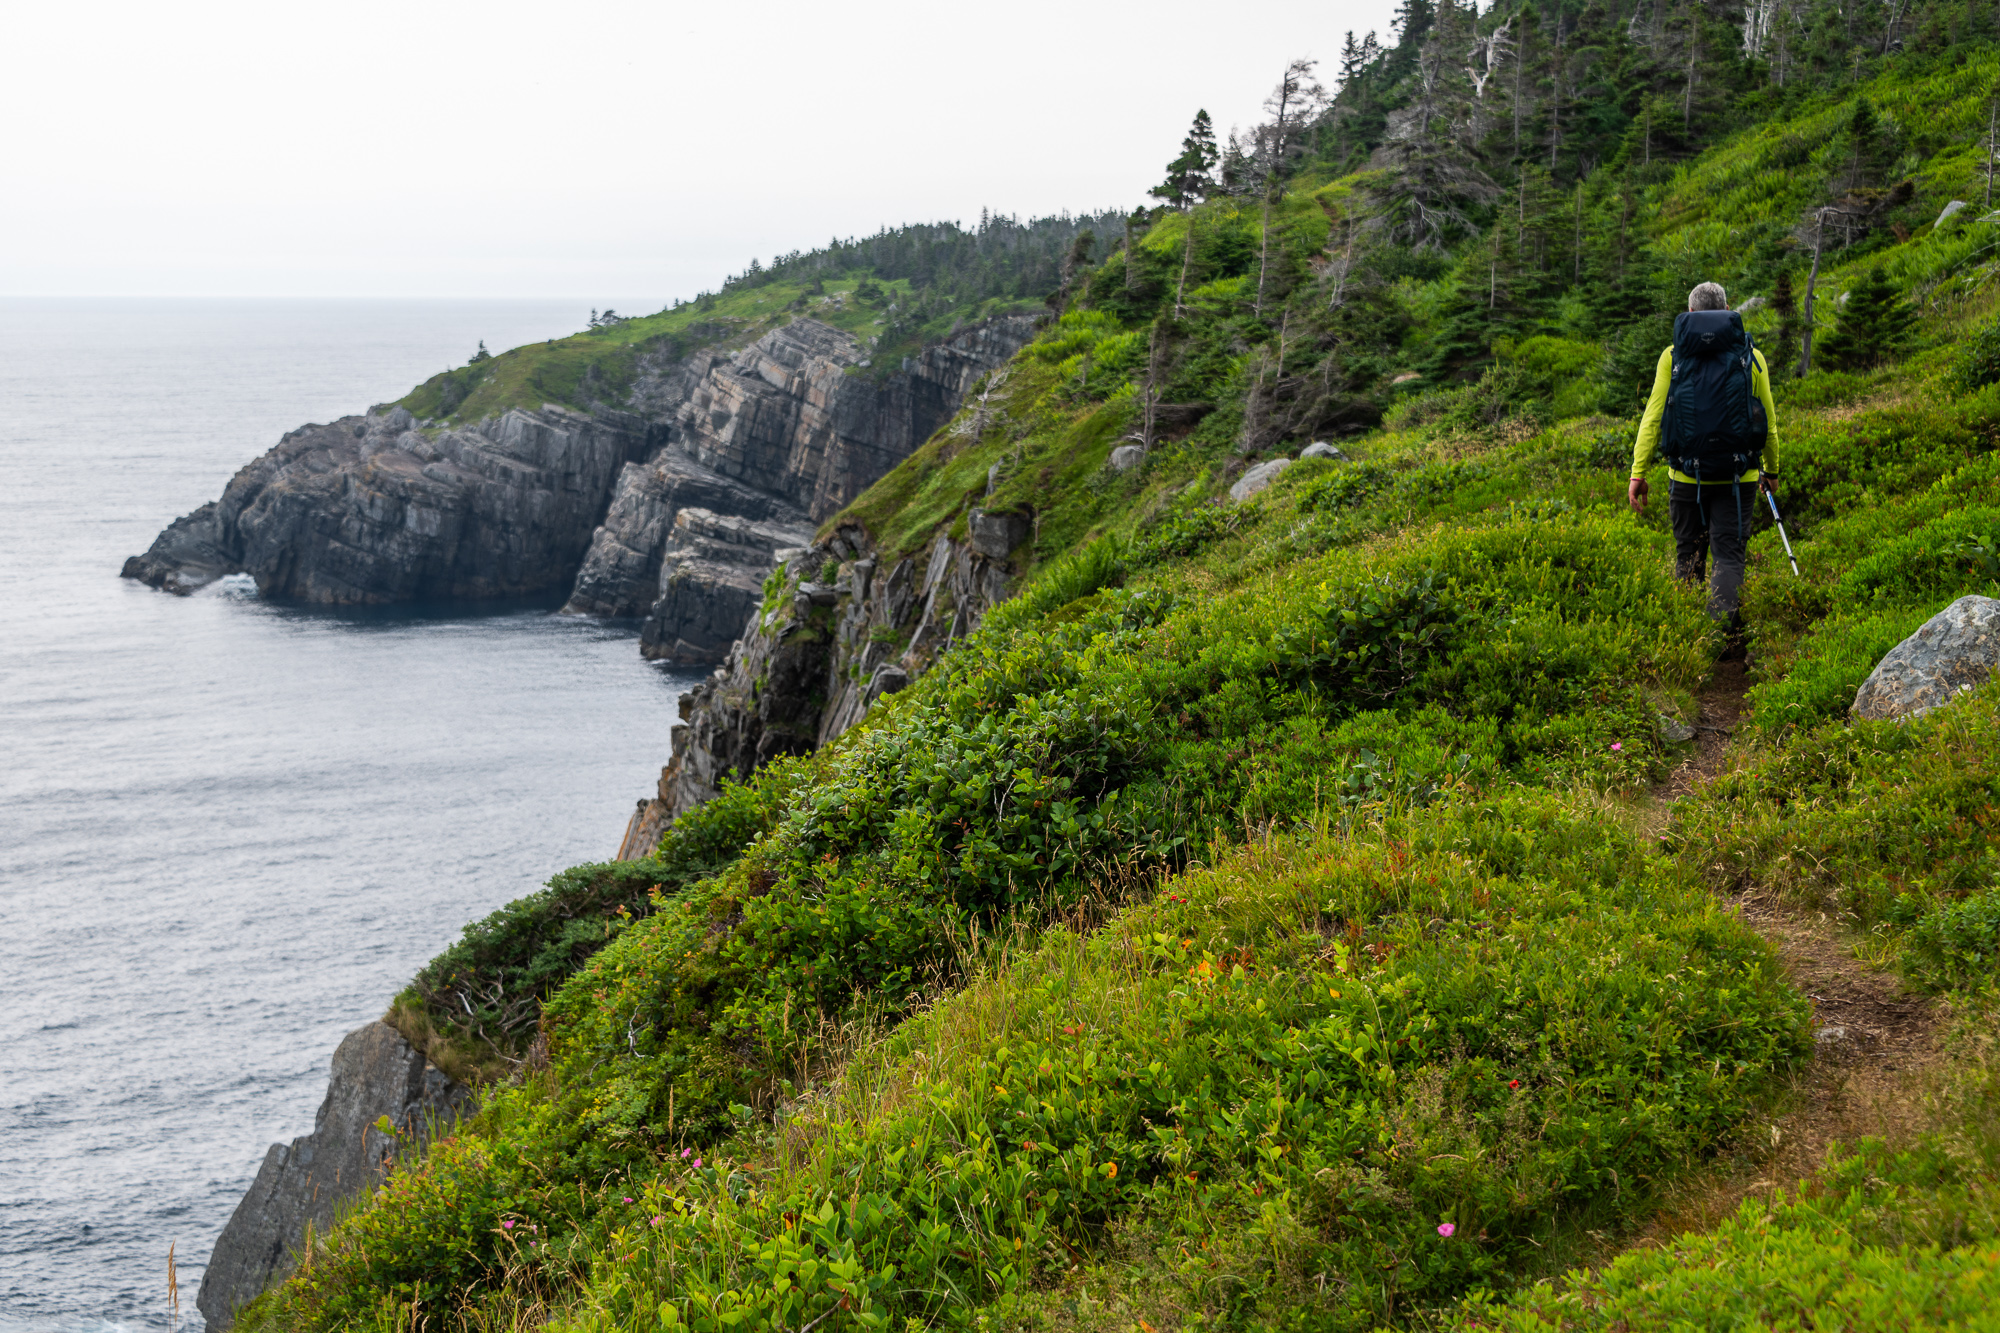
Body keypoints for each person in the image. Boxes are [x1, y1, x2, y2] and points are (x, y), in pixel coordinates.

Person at [1627, 281, 1780, 628]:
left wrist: (1638, 472)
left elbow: (1653, 417)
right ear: (1727, 310)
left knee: (1689, 554)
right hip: (1739, 476)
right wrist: (1771, 471)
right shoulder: (1751, 356)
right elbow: (1767, 423)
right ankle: (1721, 634)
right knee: (1728, 556)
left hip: (1685, 476)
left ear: (1691, 313)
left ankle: (1687, 636)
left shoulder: (1672, 356)